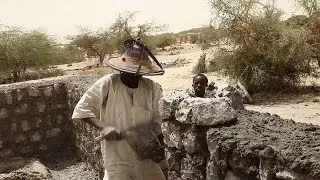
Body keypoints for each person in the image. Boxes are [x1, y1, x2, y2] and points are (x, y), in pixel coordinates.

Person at [72, 39, 166, 180]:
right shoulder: (107, 83)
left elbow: (158, 120)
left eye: (138, 74)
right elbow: (83, 109)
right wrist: (104, 127)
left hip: (145, 156)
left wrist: (162, 145)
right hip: (117, 157)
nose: (135, 77)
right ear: (122, 69)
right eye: (131, 72)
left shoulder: (151, 87)